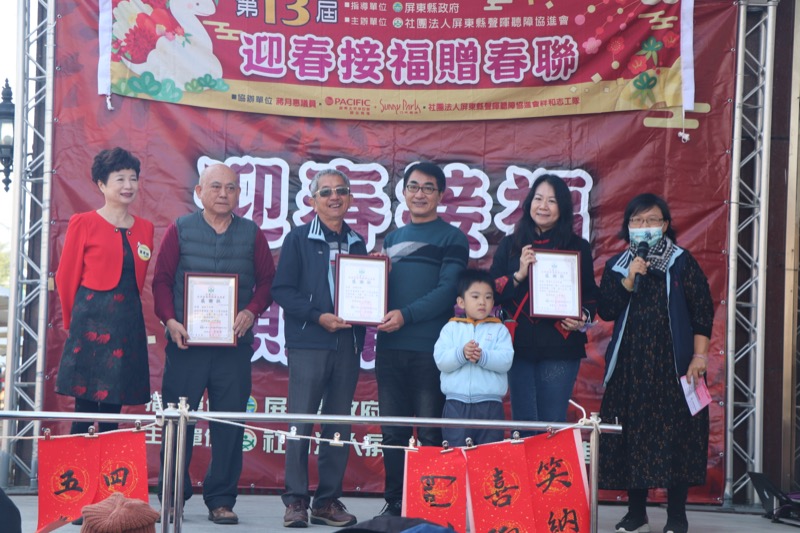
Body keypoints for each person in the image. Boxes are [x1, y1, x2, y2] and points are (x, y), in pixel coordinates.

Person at [152, 163, 275, 525]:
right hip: (186, 345)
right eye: (216, 186)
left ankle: (221, 499)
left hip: (232, 349)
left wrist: (252, 310)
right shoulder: (180, 229)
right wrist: (170, 320)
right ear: (199, 192)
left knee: (229, 424)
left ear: (239, 194)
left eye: (231, 188)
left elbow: (268, 282)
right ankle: (172, 496)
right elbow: (161, 281)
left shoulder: (251, 233)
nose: (224, 193)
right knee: (178, 423)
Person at [596, 193, 713, 533]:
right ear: (628, 226)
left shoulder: (681, 262)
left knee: (677, 439)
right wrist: (629, 279)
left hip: (673, 366)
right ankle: (636, 514)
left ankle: (676, 516)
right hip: (631, 367)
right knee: (632, 437)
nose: (644, 226)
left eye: (651, 220)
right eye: (637, 220)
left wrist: (699, 356)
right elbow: (607, 310)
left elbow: (702, 312)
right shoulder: (618, 265)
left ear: (664, 225)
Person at [272, 168, 365, 528]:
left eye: (341, 191)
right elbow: (282, 290)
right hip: (310, 340)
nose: (334, 197)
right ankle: (296, 500)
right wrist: (317, 316)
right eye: (325, 192)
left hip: (347, 343)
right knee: (301, 422)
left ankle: (326, 502)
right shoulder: (298, 239)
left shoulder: (357, 242)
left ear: (350, 198)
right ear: (313, 200)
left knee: (338, 425)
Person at [374, 161, 469, 517]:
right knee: (393, 434)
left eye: (428, 188)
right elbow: (380, 293)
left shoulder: (452, 238)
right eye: (413, 186)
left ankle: (431, 505)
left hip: (431, 351)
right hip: (390, 350)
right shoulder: (392, 240)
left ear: (440, 195)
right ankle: (395, 503)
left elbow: (448, 291)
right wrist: (374, 280)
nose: (420, 194)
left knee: (430, 433)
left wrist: (406, 315)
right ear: (403, 192)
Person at [55, 147, 154, 435]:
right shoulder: (83, 222)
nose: (128, 185)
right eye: (120, 179)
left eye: (133, 178)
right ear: (101, 184)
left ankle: (109, 466)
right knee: (84, 410)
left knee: (114, 410)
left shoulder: (146, 228)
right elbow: (65, 277)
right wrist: (72, 322)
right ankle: (79, 464)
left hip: (126, 324)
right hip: (90, 322)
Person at [489, 174, 598, 433]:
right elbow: (491, 291)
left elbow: (591, 295)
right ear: (529, 204)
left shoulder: (577, 246)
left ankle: (549, 463)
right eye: (538, 199)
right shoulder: (511, 244)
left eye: (552, 201)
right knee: (524, 423)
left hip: (560, 343)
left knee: (553, 423)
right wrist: (519, 274)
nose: (543, 206)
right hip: (519, 345)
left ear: (563, 208)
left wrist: (582, 316)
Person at [433, 268, 513, 446]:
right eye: (475, 297)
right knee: (457, 454)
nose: (482, 302)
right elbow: (441, 360)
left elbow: (506, 360)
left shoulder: (500, 329)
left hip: (490, 405)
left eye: (488, 297)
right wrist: (461, 354)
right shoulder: (450, 328)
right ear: (461, 302)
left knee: (489, 456)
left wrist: (482, 357)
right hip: (456, 404)